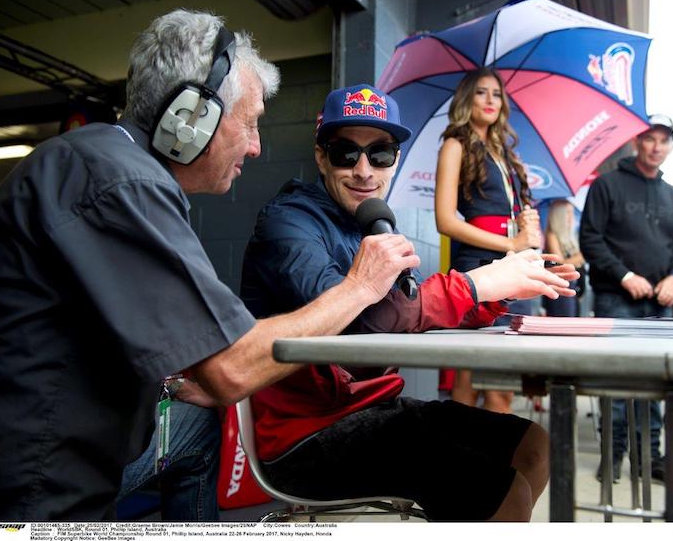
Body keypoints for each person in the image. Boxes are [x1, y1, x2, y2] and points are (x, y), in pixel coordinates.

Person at [0, 11, 421, 521]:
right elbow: (231, 369)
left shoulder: (109, 162)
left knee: (197, 425)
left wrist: (171, 377)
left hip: (57, 435)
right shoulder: (123, 183)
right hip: (38, 483)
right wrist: (358, 286)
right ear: (191, 117)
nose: (258, 146)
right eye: (251, 121)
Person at [239, 83, 579, 521]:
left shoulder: (373, 223)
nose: (364, 170)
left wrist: (507, 288)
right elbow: (361, 325)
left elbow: (412, 310)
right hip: (307, 436)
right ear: (321, 156)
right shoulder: (288, 222)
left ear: (395, 160)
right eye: (346, 153)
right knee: (503, 493)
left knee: (533, 445)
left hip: (376, 409)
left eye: (379, 154)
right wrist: (476, 284)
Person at [579, 114, 673, 483]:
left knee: (654, 381)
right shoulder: (607, 185)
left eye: (664, 140)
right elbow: (591, 240)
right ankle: (612, 455)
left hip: (661, 302)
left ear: (671, 146)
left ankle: (650, 456)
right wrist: (624, 275)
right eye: (649, 139)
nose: (656, 147)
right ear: (635, 141)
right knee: (615, 380)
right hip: (616, 298)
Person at [434, 67, 542, 414]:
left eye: (496, 94)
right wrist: (512, 244)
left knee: (503, 386)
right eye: (481, 92)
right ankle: (469, 464)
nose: (491, 100)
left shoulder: (508, 156)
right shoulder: (455, 144)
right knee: (471, 378)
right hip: (479, 267)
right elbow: (446, 220)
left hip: (515, 264)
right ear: (467, 98)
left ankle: (490, 464)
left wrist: (527, 228)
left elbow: (519, 226)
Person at [543, 199, 585, 317]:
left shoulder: (572, 236)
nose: (571, 217)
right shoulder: (552, 235)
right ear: (558, 215)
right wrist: (580, 257)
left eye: (572, 213)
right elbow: (560, 264)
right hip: (560, 288)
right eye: (567, 213)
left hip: (574, 287)